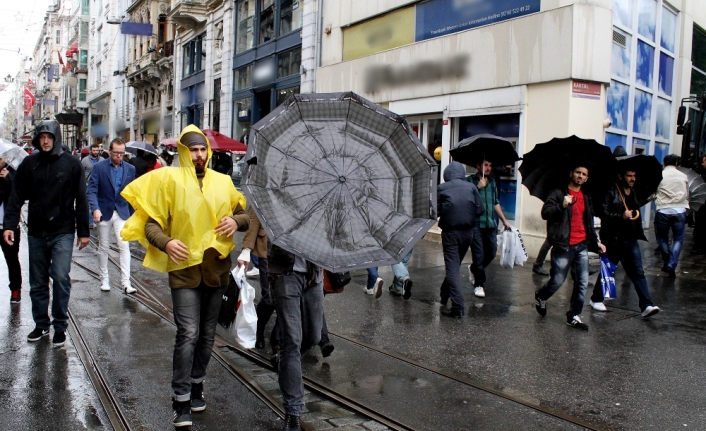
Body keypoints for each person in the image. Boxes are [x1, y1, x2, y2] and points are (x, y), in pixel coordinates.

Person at [120, 125, 249, 428]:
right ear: (183, 151)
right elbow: (150, 224)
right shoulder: (169, 181)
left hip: (216, 271)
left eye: (202, 149)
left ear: (208, 151)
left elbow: (246, 215)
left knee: (206, 336)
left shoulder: (223, 182)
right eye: (193, 149)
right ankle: (180, 398)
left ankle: (197, 384)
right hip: (183, 272)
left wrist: (236, 221)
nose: (199, 154)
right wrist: (166, 242)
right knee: (188, 333)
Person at [3, 120, 90, 346]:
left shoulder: (72, 164)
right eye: (41, 137)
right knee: (38, 281)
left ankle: (60, 325)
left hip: (62, 230)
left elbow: (81, 199)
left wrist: (83, 231)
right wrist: (10, 225)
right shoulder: (29, 164)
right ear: (37, 139)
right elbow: (16, 197)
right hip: (37, 232)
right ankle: (41, 324)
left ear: (56, 138)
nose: (45, 141)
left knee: (60, 277)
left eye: (49, 137)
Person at [534, 164, 605, 330]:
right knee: (557, 281)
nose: (580, 176)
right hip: (563, 245)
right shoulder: (558, 192)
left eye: (584, 174)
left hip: (581, 245)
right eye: (578, 172)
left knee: (582, 282)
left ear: (587, 178)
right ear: (571, 173)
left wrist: (596, 243)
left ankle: (573, 315)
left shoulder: (586, 196)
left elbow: (587, 223)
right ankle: (541, 295)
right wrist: (562, 205)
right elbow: (545, 213)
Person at [589, 167, 660, 317]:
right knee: (608, 270)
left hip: (630, 239)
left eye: (634, 175)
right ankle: (596, 299)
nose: (633, 179)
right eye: (629, 176)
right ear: (621, 176)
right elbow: (604, 214)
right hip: (613, 239)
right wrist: (621, 215)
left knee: (638, 272)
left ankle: (647, 305)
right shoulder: (610, 191)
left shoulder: (633, 192)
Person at [267, 243, 324, 430]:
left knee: (313, 336)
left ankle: (284, 361)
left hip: (314, 274)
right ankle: (293, 410)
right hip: (286, 274)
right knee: (291, 341)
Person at [87, 138, 137, 294]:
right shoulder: (99, 167)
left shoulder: (130, 169)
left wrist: (133, 214)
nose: (119, 156)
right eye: (116, 153)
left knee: (124, 246)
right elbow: (92, 190)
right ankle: (104, 279)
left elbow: (132, 192)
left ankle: (126, 283)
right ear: (109, 151)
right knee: (103, 246)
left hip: (122, 211)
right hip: (103, 211)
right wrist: (95, 209)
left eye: (122, 153)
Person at [437, 162, 484, 318]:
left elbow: (435, 210)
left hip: (450, 233)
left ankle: (458, 307)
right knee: (454, 266)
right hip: (468, 232)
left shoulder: (442, 188)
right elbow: (480, 209)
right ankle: (445, 294)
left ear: (446, 175)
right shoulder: (471, 187)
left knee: (452, 268)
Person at [466, 159, 512, 298]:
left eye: (491, 165)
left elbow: (495, 202)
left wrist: (504, 220)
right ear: (478, 165)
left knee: (491, 253)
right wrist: (478, 187)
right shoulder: (469, 181)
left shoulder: (492, 182)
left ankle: (473, 269)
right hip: (476, 224)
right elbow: (466, 200)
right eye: (486, 165)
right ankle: (479, 285)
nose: (489, 168)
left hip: (491, 224)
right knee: (478, 256)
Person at [654, 154, 689, 278]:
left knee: (662, 239)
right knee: (678, 239)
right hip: (679, 210)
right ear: (676, 164)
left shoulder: (660, 175)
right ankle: (672, 263)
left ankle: (667, 262)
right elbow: (687, 193)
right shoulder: (684, 176)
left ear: (664, 163)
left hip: (663, 210)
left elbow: (654, 192)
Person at [0, 158, 22, 304]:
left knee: (12, 259)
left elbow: (19, 195)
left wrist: (8, 178)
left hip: (8, 225)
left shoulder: (13, 172)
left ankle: (15, 289)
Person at [693, 155, 706, 255]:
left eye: (704, 161)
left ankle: (698, 246)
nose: (702, 163)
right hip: (701, 204)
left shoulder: (700, 175)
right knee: (699, 225)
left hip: (701, 204)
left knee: (700, 225)